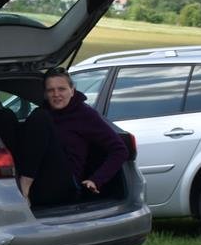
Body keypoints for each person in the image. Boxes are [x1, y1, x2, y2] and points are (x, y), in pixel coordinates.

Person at [14, 67, 127, 208]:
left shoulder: (85, 115)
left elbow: (120, 150)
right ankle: (14, 186)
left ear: (72, 91)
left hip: (66, 185)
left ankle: (24, 189)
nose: (56, 94)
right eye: (51, 90)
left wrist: (96, 180)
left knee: (40, 118)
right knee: (5, 116)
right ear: (45, 94)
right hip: (39, 181)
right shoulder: (41, 113)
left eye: (61, 89)